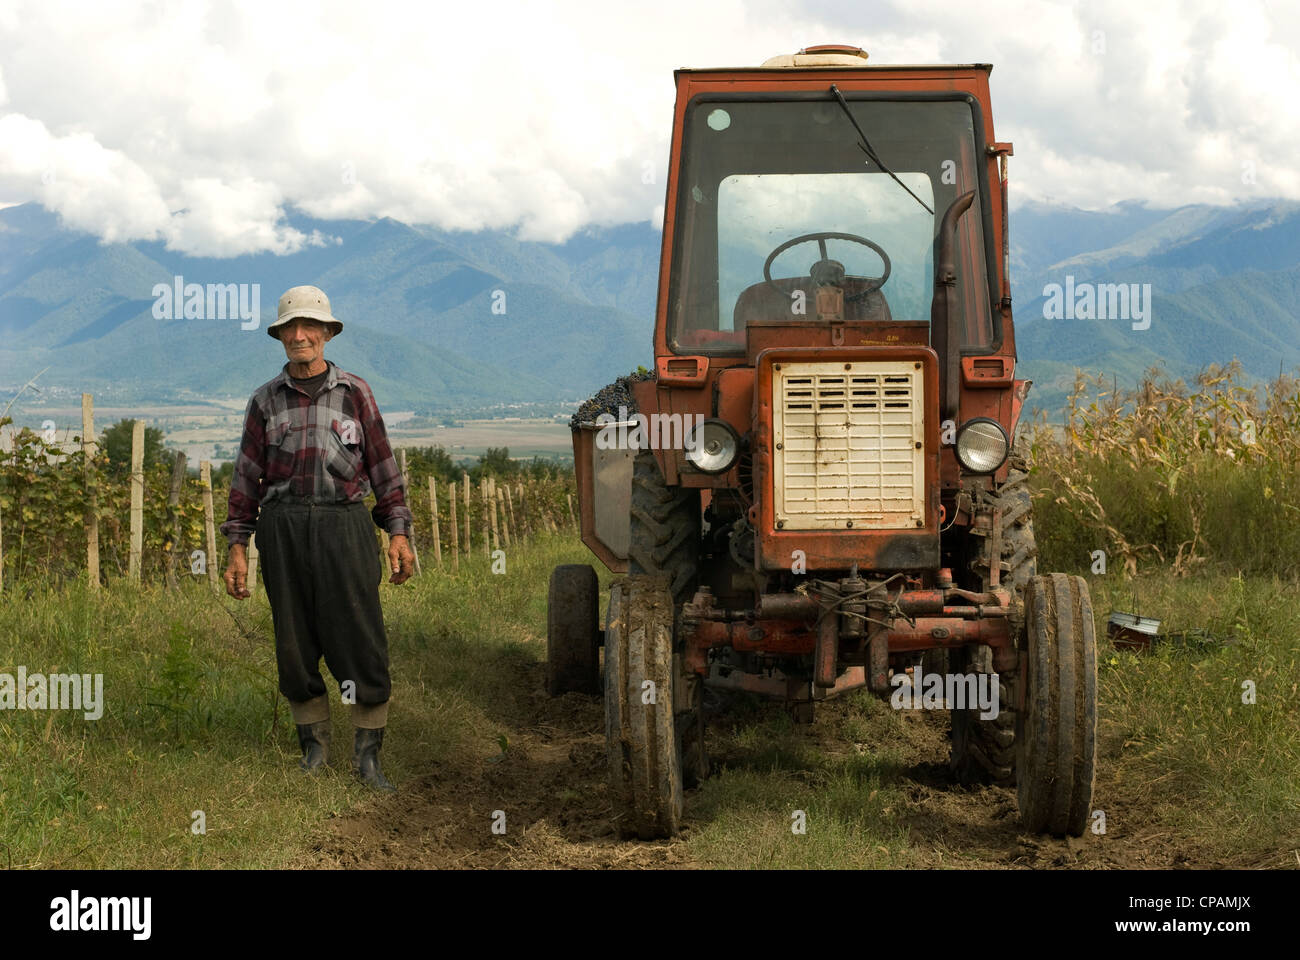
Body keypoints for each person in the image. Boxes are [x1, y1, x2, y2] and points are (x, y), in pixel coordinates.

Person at [221, 284, 415, 791]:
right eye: (291, 328)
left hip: (344, 525)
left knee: (359, 636)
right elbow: (246, 477)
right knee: (294, 639)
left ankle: (368, 758)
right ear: (280, 336)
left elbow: (383, 467)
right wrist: (237, 545)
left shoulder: (355, 393)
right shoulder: (265, 400)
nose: (300, 336)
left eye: (310, 326)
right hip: (282, 527)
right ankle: (314, 750)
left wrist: (398, 532)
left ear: (328, 333)